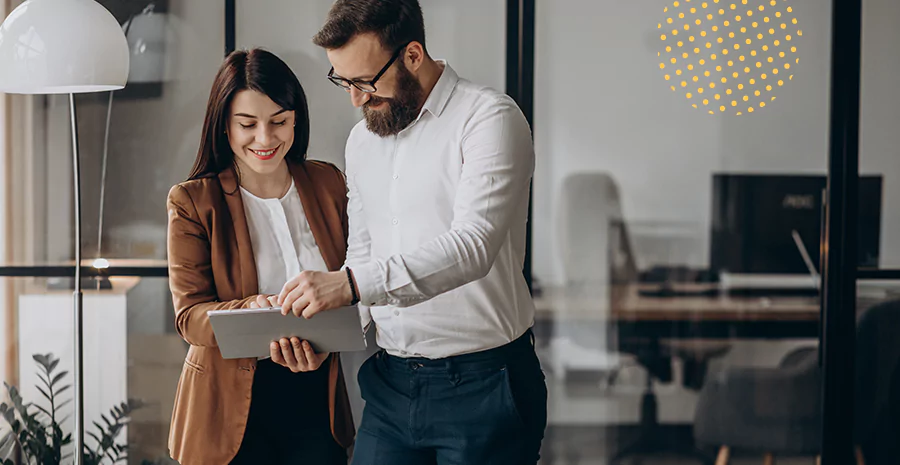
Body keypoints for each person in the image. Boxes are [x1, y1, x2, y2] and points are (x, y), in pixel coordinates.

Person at [269, 1, 548, 463]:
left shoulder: (489, 119)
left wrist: (351, 285)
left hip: (485, 384)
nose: (355, 99)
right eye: (344, 81)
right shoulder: (362, 141)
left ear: (413, 55)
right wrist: (327, 338)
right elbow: (364, 250)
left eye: (364, 81)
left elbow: (473, 245)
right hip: (390, 385)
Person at [165, 48, 354, 465]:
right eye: (247, 124)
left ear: (296, 119)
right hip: (226, 408)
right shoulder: (194, 201)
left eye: (279, 122)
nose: (266, 139)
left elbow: (355, 279)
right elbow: (190, 318)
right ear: (224, 126)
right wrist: (249, 309)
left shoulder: (327, 183)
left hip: (316, 396)